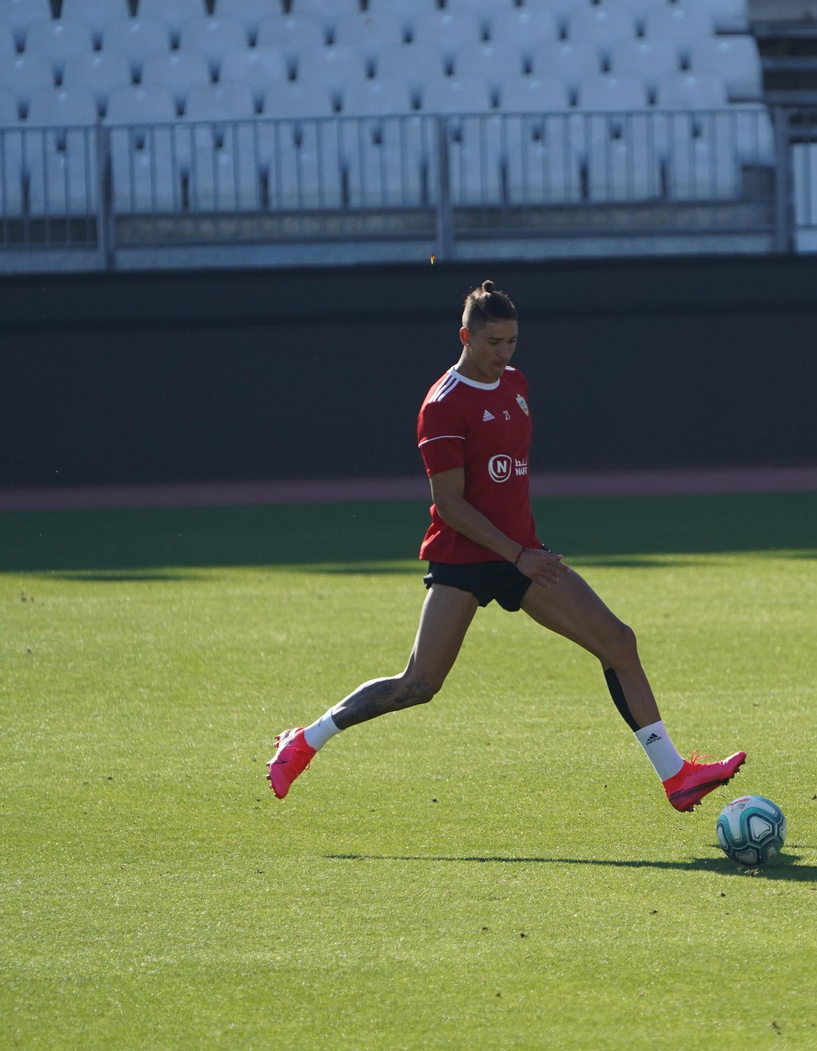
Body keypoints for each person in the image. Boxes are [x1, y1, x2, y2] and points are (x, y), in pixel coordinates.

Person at [267, 281, 746, 811]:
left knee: (618, 641)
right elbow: (449, 505)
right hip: (465, 559)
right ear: (465, 337)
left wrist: (523, 552)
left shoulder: (516, 383)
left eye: (512, 341)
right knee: (419, 685)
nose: (504, 353)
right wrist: (517, 554)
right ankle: (306, 740)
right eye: (493, 342)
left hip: (522, 555)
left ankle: (675, 776)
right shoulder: (442, 407)